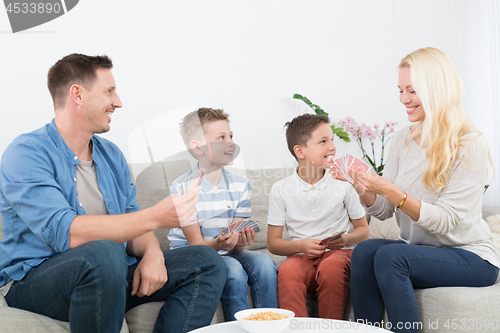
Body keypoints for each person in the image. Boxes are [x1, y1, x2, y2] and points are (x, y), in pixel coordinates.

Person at [0, 54, 226, 333]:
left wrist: (153, 252)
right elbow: (68, 234)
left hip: (109, 272)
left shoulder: (111, 155)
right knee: (103, 251)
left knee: (205, 261)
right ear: (77, 94)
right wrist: (155, 218)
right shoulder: (26, 153)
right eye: (109, 91)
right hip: (35, 280)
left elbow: (130, 220)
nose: (118, 102)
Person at [332, 47, 500, 333]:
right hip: (420, 251)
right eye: (400, 90)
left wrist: (392, 191)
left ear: (436, 89)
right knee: (365, 251)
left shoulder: (470, 144)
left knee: (390, 255)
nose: (403, 100)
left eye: (412, 90)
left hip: (471, 257)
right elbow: (384, 211)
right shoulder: (402, 140)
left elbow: (446, 220)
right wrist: (363, 187)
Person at [167, 108, 278, 321]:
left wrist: (241, 241)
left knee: (265, 263)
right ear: (198, 148)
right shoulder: (182, 187)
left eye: (231, 136)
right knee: (234, 271)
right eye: (221, 138)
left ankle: (269, 325)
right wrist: (221, 244)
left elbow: (234, 240)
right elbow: (197, 245)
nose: (230, 143)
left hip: (225, 249)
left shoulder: (241, 185)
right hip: (194, 254)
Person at [266, 113, 369, 319]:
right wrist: (301, 246)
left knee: (331, 266)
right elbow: (273, 243)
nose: (332, 147)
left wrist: (345, 240)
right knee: (288, 271)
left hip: (338, 256)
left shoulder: (343, 182)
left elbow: (363, 230)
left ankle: (331, 329)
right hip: (301, 257)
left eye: (332, 140)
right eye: (323, 141)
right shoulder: (281, 189)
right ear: (300, 151)